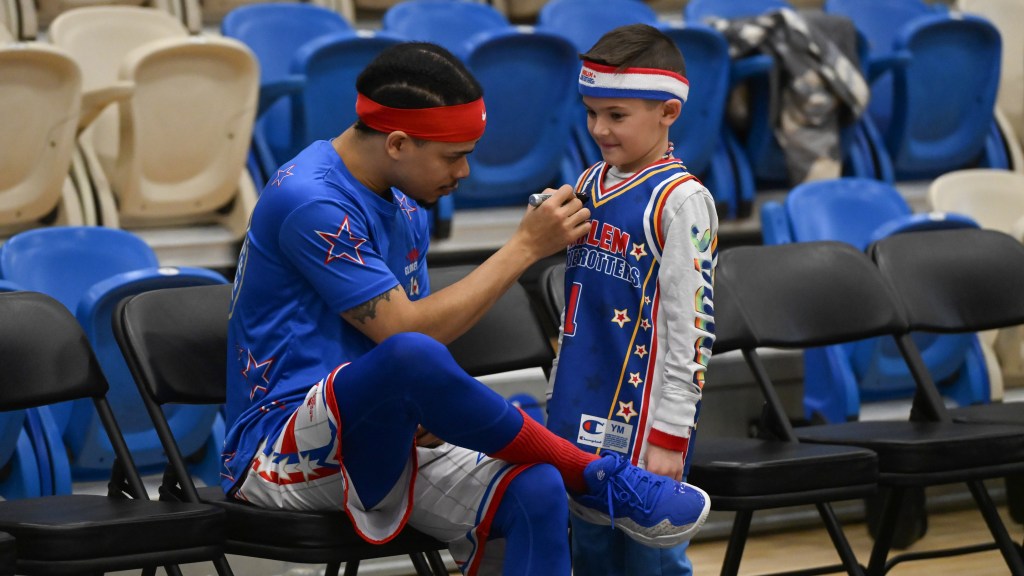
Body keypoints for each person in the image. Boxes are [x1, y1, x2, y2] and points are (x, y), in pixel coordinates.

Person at [222, 41, 710, 575]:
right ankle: (592, 471)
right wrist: (524, 248)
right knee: (410, 357)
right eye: (454, 156)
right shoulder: (311, 200)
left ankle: (567, 471)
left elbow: (423, 343)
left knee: (535, 487)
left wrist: (429, 406)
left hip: (379, 434)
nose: (465, 173)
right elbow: (405, 338)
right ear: (400, 144)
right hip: (278, 448)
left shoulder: (406, 197)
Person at [545, 24, 719, 576]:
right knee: (590, 552)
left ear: (668, 112)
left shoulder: (682, 200)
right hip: (577, 404)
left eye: (616, 115)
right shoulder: (589, 182)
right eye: (591, 112)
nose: (598, 128)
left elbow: (693, 330)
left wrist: (671, 433)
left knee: (653, 560)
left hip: (646, 422)